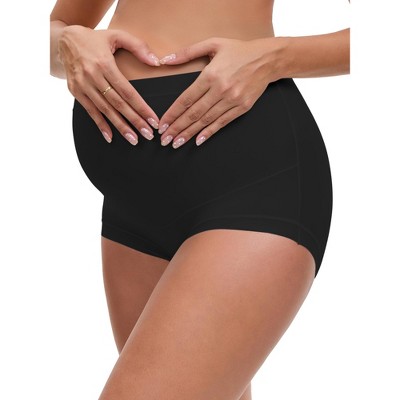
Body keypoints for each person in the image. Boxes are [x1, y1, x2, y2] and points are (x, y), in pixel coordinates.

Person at [50, 0, 350, 398]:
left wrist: (273, 57)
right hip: (132, 206)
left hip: (250, 182)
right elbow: (60, 26)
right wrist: (69, 44)